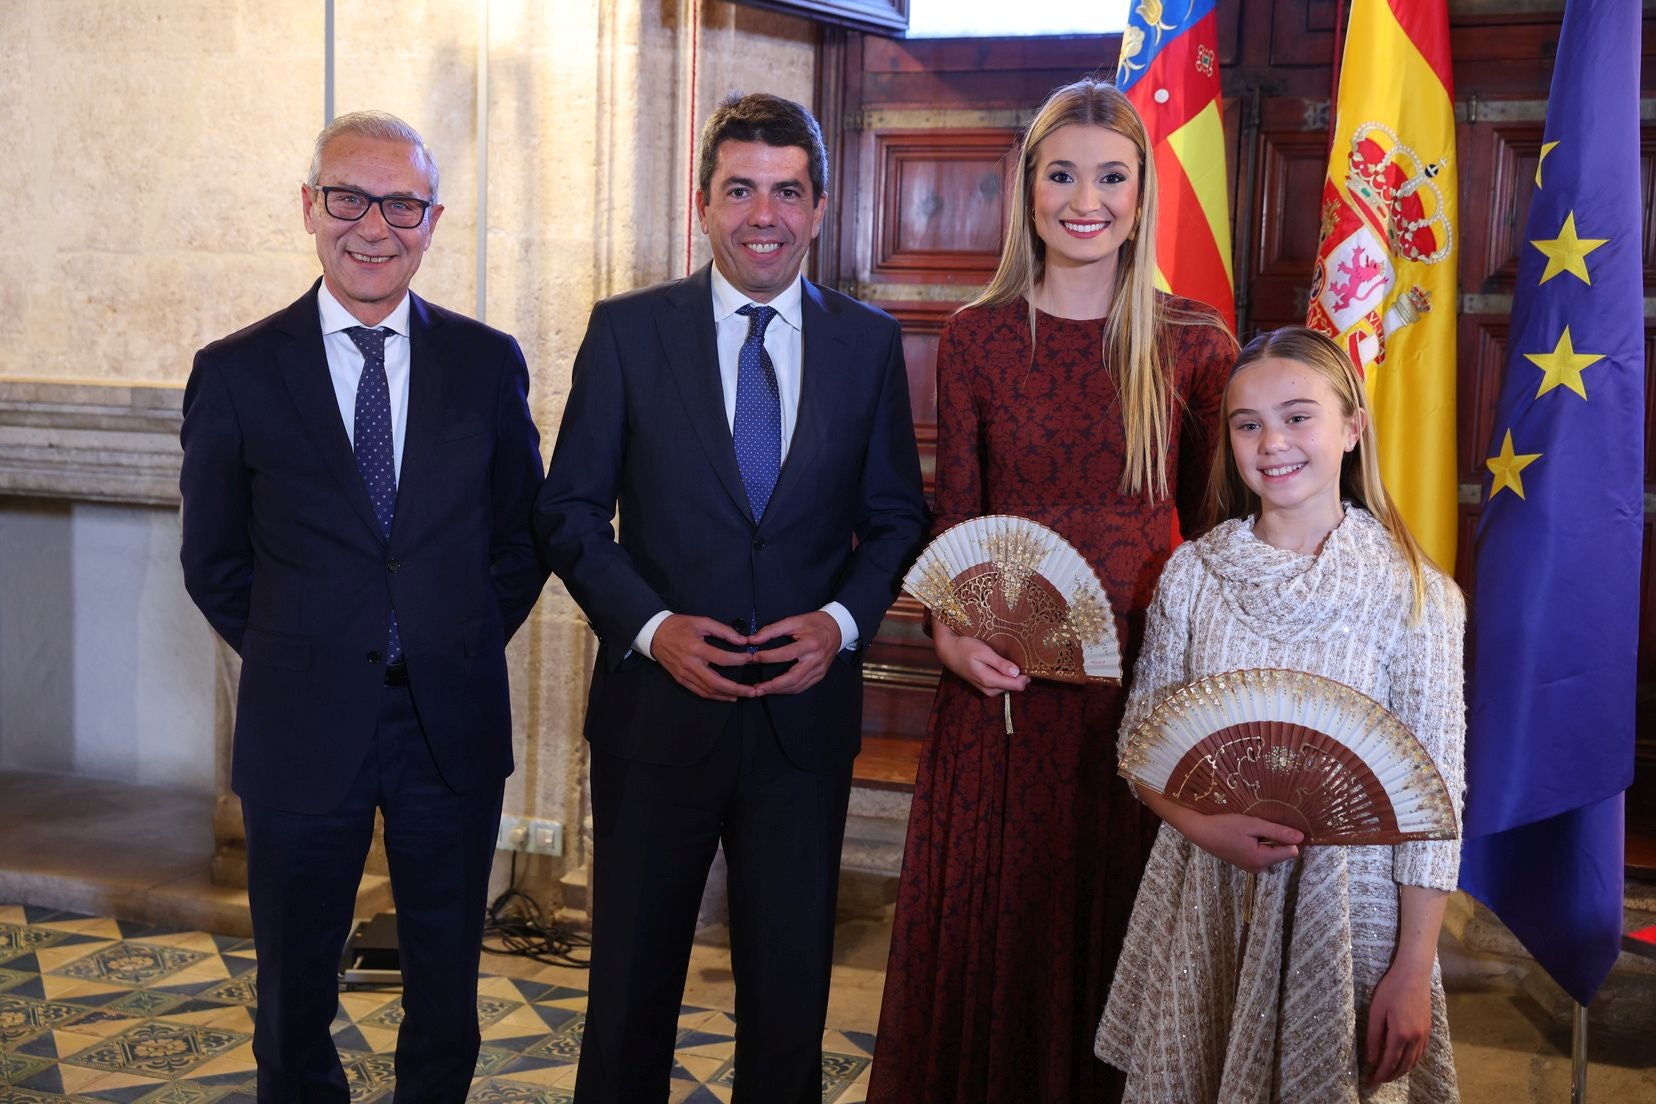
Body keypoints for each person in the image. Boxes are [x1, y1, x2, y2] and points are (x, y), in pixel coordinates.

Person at [535, 92, 927, 1103]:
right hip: (655, 719)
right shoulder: (626, 335)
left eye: (788, 192)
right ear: (702, 205)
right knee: (629, 994)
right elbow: (569, 513)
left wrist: (842, 626)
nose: (766, 213)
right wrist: (653, 628)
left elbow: (894, 518)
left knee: (791, 996)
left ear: (822, 206)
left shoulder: (868, 345)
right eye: (741, 189)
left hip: (802, 724)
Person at [869, 78, 1237, 1103]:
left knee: (1121, 926)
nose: (1087, 198)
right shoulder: (977, 337)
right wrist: (948, 637)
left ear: (1141, 191)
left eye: (1111, 176)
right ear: (1027, 187)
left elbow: (1217, 546)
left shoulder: (1194, 341)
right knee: (1005, 932)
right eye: (1062, 173)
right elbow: (960, 523)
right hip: (1005, 696)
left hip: (1147, 697)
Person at [179, 110, 547, 1101]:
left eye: (402, 204)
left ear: (432, 219)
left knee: (446, 984)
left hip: (450, 721)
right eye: (349, 197)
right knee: (293, 988)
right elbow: (214, 563)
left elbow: (520, 542)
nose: (373, 225)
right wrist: (308, 650)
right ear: (309, 207)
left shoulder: (486, 364)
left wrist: (448, 637)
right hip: (301, 725)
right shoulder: (236, 373)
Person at [1095, 326, 1465, 1101]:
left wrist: (1411, 968)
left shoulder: (1416, 594)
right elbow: (1141, 743)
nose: (1272, 443)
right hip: (1208, 896)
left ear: (1352, 428)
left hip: (1351, 909)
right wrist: (1201, 825)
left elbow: (1436, 810)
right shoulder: (1193, 576)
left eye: (1299, 417)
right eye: (1248, 423)